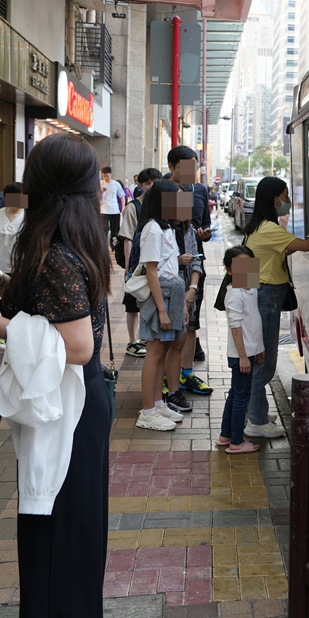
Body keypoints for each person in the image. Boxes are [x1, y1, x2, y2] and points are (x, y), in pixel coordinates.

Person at [0, 132, 112, 618]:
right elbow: (61, 313)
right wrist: (1, 280)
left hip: (68, 411)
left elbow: (78, 344)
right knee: (72, 549)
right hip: (80, 407)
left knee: (55, 555)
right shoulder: (77, 241)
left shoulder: (57, 252)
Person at [242, 176, 309, 438]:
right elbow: (305, 246)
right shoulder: (269, 230)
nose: (287, 202)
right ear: (273, 199)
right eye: (285, 197)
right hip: (265, 298)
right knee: (264, 361)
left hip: (257, 297)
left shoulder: (256, 227)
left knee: (259, 358)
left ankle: (255, 411)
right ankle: (257, 421)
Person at [134, 179, 191, 431]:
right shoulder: (153, 230)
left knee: (163, 352)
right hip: (162, 296)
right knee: (155, 353)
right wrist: (162, 309)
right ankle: (148, 411)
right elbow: (151, 272)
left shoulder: (166, 229)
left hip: (172, 292)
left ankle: (157, 403)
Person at [164, 146, 213, 386]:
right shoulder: (165, 190)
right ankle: (167, 376)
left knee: (191, 322)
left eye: (194, 166)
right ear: (172, 167)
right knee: (169, 326)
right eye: (186, 167)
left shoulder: (200, 190)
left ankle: (186, 373)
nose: (192, 172)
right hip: (169, 270)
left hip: (195, 265)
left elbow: (203, 226)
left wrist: (204, 234)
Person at [214, 245, 264, 454]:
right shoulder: (234, 293)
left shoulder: (249, 287)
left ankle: (226, 435)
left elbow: (253, 321)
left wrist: (259, 348)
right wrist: (244, 357)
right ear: (229, 270)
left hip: (250, 352)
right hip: (241, 355)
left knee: (236, 394)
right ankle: (236, 442)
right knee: (242, 397)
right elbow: (235, 326)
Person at [118, 168, 160, 359]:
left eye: (154, 183)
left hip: (153, 262)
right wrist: (128, 268)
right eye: (147, 183)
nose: (151, 187)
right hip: (137, 264)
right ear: (140, 185)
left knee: (147, 300)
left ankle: (144, 337)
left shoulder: (161, 206)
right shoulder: (133, 207)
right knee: (132, 303)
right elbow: (127, 239)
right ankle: (132, 340)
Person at [100, 165, 125, 245]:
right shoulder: (100, 183)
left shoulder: (116, 184)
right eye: (104, 176)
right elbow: (95, 195)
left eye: (107, 176)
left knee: (115, 230)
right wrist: (101, 192)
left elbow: (122, 196)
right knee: (104, 229)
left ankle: (114, 246)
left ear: (111, 174)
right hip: (103, 209)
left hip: (114, 209)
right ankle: (103, 246)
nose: (105, 178)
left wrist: (123, 207)